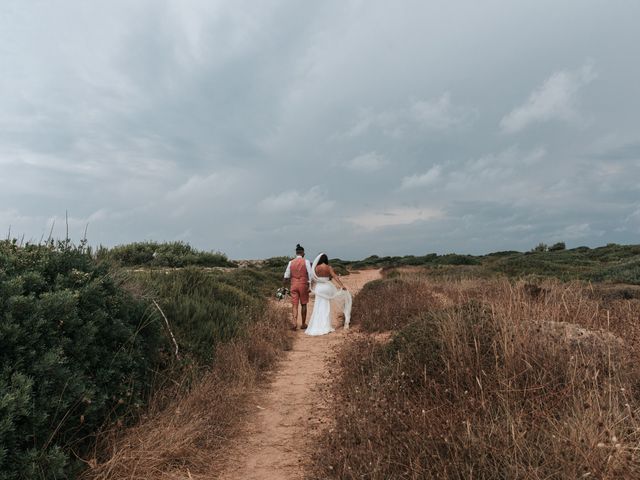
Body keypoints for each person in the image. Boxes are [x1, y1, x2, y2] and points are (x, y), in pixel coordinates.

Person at [305, 253, 352, 336]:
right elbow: (335, 277)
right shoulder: (329, 267)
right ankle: (326, 325)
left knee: (318, 305)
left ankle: (317, 325)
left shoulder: (316, 268)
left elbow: (312, 279)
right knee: (326, 306)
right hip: (327, 287)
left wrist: (310, 287)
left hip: (319, 288)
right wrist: (342, 285)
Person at [283, 244, 313, 330]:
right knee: (303, 304)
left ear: (296, 253)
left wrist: (284, 286)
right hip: (303, 284)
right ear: (303, 253)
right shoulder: (306, 261)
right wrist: (310, 285)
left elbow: (286, 275)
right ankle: (303, 324)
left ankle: (294, 323)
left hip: (293, 284)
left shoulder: (291, 262)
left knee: (294, 305)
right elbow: (310, 274)